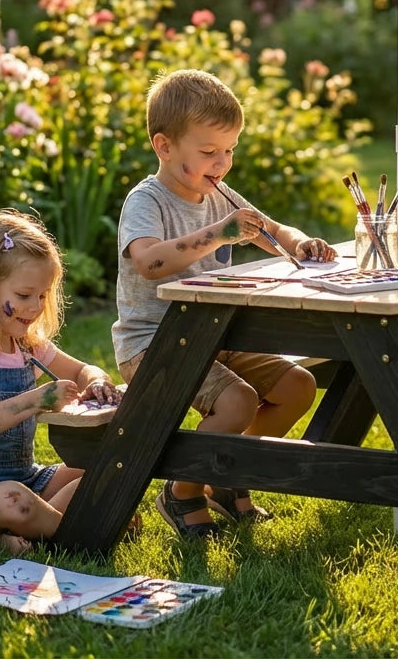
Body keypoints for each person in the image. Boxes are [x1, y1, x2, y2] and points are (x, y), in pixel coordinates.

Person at [114, 68, 336, 538]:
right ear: (164, 146)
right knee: (238, 402)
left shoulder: (220, 195)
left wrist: (299, 244)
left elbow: (273, 228)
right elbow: (150, 263)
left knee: (298, 384)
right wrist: (219, 232)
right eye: (209, 151)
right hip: (154, 341)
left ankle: (223, 469)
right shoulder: (146, 202)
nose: (222, 162)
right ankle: (182, 491)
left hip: (213, 333)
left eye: (230, 149)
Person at [0, 209, 122, 556]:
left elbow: (82, 369)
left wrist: (98, 380)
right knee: (13, 501)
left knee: (107, 469)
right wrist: (36, 400)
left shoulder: (27, 345)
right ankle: (78, 531)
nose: (35, 307)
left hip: (26, 477)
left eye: (42, 296)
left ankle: (19, 532)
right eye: (25, 295)